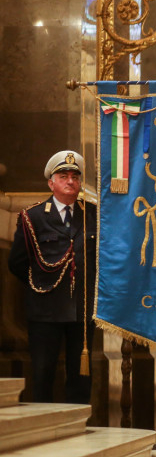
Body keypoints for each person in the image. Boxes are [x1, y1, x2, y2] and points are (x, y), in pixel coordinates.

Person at [8, 150, 96, 403]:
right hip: (45, 309)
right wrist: (42, 285)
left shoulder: (93, 214)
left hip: (81, 309)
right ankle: (44, 420)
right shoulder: (33, 216)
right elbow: (17, 262)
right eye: (63, 176)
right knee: (43, 373)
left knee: (81, 377)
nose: (70, 181)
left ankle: (79, 422)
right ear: (51, 183)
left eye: (75, 177)